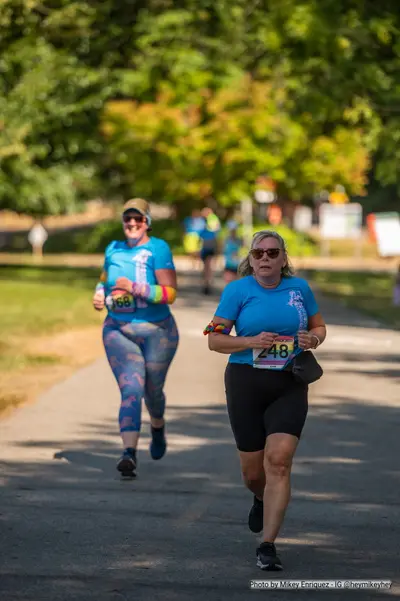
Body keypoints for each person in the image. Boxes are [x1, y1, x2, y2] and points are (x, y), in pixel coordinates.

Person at [203, 230, 326, 571]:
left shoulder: (299, 289)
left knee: (280, 461)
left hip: (290, 382)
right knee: (253, 472)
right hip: (246, 383)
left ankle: (268, 544)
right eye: (259, 254)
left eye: (273, 253)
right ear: (251, 259)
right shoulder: (237, 291)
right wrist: (250, 341)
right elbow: (214, 340)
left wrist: (313, 338)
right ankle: (259, 496)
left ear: (284, 258)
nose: (266, 259)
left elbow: (320, 326)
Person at [92, 198, 179, 478]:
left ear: (147, 223)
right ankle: (128, 453)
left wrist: (137, 288)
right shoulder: (113, 248)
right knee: (131, 389)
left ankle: (157, 425)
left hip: (158, 331)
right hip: (118, 330)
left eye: (138, 219)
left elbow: (170, 293)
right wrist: (98, 293)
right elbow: (105, 278)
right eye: (127, 219)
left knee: (153, 392)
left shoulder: (158, 248)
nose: (132, 224)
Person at [199, 207, 221, 295]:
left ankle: (206, 282)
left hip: (208, 246)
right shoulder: (207, 224)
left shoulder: (210, 221)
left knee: (207, 266)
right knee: (208, 266)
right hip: (209, 246)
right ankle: (207, 282)